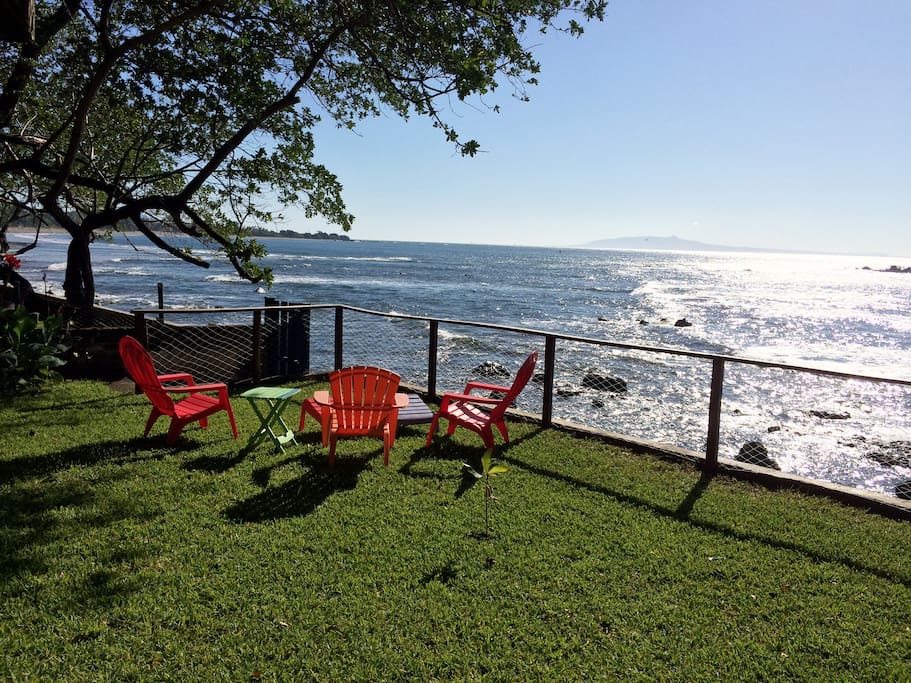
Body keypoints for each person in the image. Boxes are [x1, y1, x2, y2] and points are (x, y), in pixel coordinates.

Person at [1, 231, 34, 305]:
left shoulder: (4, 252)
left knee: (23, 285)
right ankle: (18, 305)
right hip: (4, 271)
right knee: (25, 285)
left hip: (6, 272)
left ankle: (17, 304)